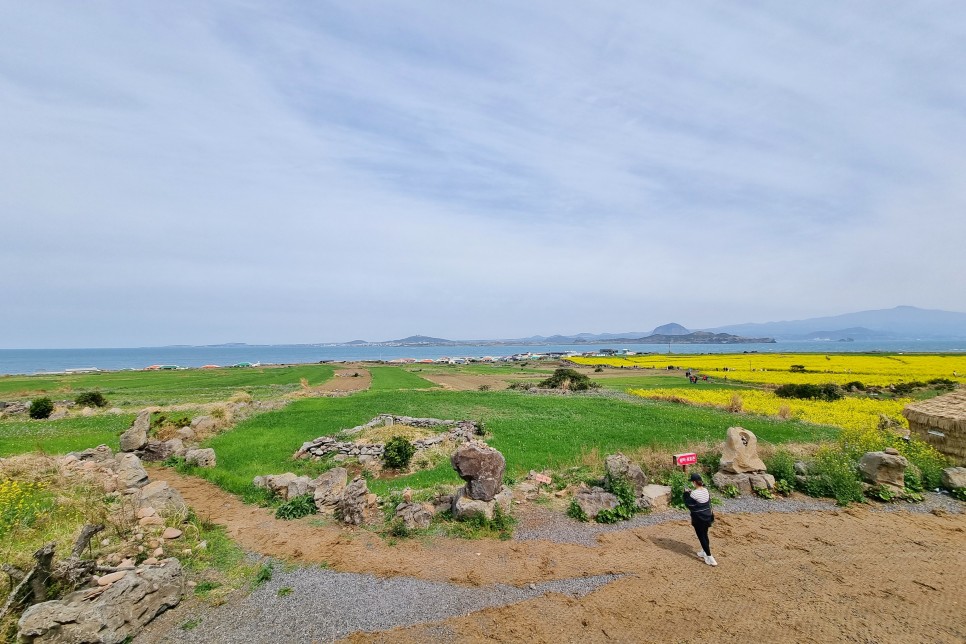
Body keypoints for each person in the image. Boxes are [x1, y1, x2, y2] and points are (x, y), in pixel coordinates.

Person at [683, 472, 717, 566]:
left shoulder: (694, 493)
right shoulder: (705, 490)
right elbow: (701, 500)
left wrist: (686, 493)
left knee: (701, 537)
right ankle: (703, 551)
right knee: (705, 535)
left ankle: (710, 557)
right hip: (707, 517)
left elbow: (688, 504)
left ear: (694, 482)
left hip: (699, 519)